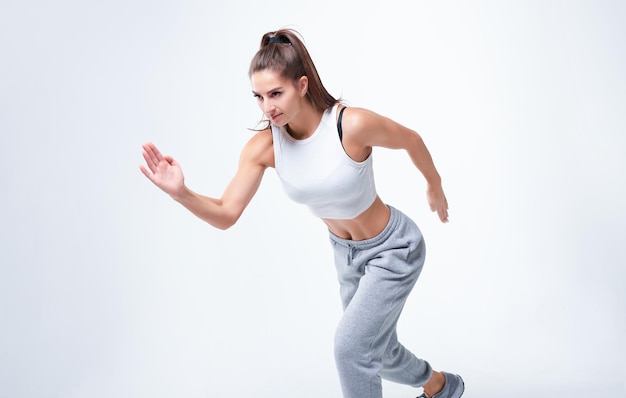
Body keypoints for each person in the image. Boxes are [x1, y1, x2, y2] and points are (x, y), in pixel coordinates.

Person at [140, 28, 464, 398]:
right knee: (379, 351)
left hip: (394, 248)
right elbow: (226, 213)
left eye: (275, 93)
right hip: (347, 257)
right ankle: (440, 386)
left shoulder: (349, 125)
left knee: (351, 350)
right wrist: (181, 193)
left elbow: (411, 139)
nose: (267, 107)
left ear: (302, 85)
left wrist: (433, 183)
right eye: (259, 97)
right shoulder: (265, 147)